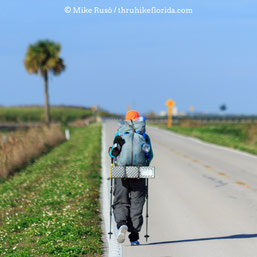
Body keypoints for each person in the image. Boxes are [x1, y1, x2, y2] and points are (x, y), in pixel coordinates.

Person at [109, 110, 153, 246]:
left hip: (121, 172)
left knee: (121, 201)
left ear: (126, 120)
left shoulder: (120, 133)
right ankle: (134, 238)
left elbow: (113, 154)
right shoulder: (144, 135)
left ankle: (122, 225)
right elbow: (149, 155)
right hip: (139, 173)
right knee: (137, 203)